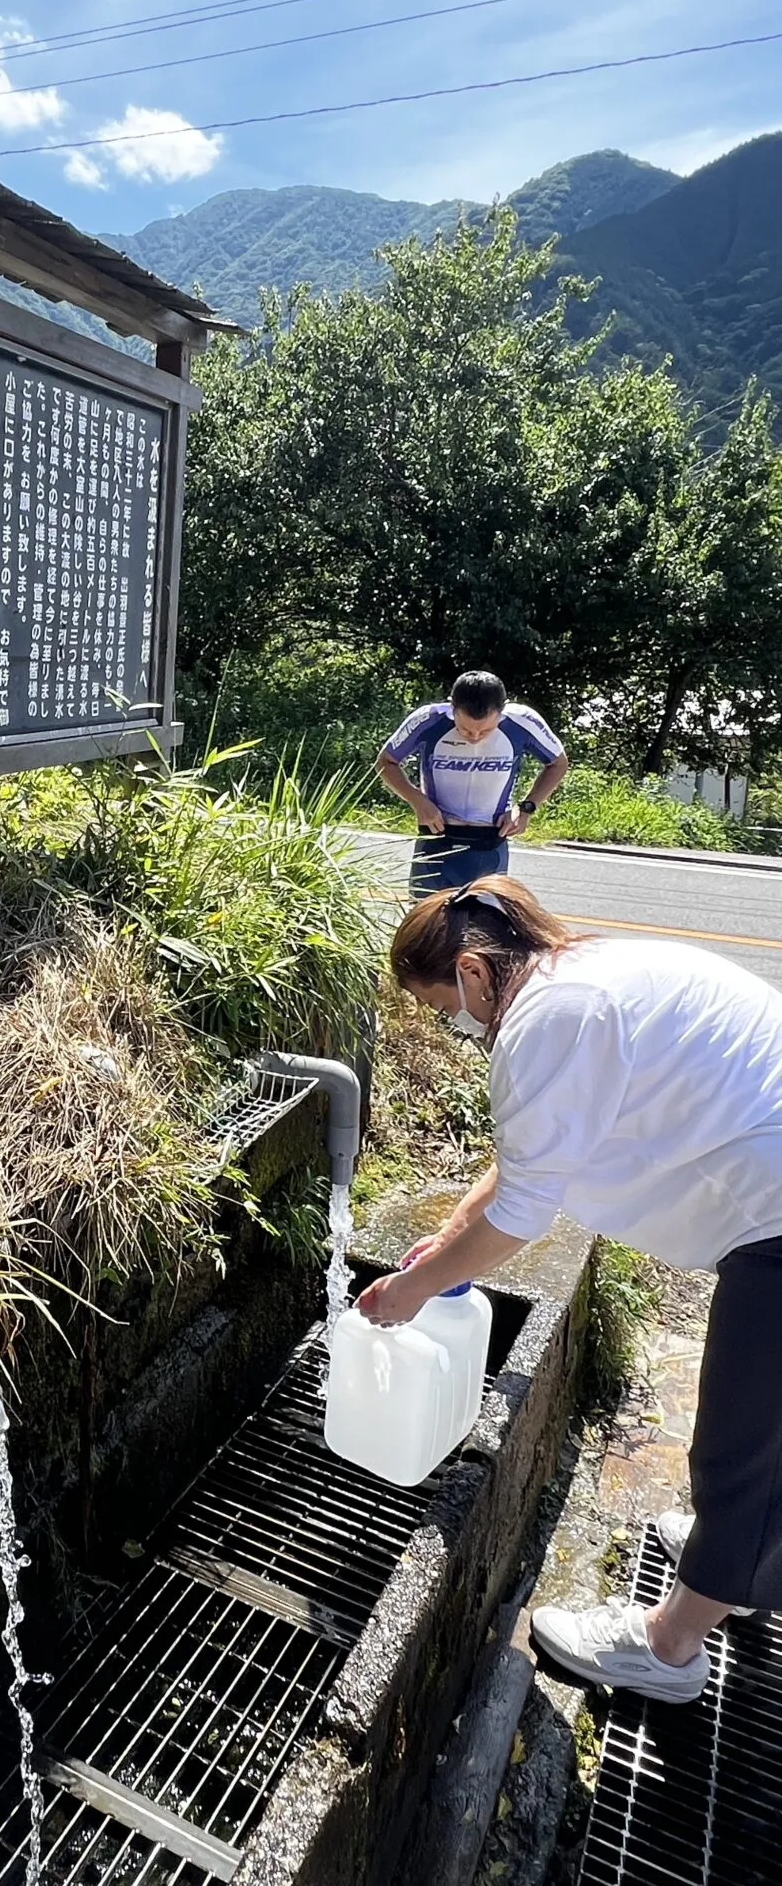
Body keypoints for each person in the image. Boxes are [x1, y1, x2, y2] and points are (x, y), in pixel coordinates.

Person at [358, 877, 782, 1704]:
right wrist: (445, 1245)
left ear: (475, 972)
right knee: (762, 1423)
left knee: (745, 1438)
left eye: (441, 1002)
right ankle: (730, 1556)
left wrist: (414, 1293)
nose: (450, 1024)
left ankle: (670, 1648)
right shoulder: (579, 974)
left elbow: (523, 1214)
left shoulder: (546, 1024)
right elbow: (529, 1164)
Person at [376, 671, 569, 896]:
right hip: (436, 839)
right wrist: (417, 800)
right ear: (452, 707)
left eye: (487, 730)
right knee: (425, 928)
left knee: (486, 927)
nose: (475, 737)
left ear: (502, 710)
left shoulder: (523, 721)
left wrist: (526, 808)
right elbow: (385, 762)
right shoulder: (429, 719)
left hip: (489, 844)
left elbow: (558, 763)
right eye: (465, 729)